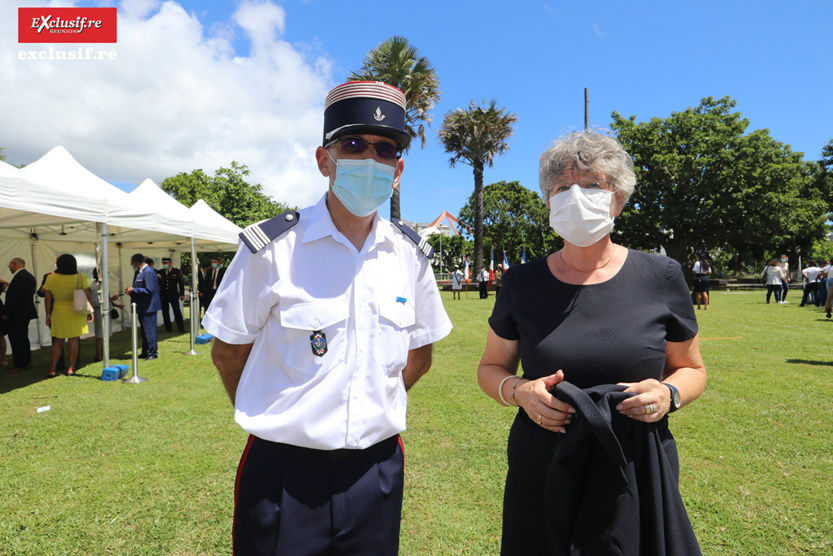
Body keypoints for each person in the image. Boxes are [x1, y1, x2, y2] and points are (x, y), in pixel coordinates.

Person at [203, 81, 453, 555]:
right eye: (353, 144)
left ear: (397, 171)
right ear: (324, 159)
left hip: (376, 469)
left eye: (385, 149)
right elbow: (228, 353)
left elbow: (418, 357)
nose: (370, 158)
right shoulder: (272, 249)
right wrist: (280, 411)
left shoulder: (410, 255)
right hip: (284, 473)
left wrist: (369, 402)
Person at [477, 130, 706, 555]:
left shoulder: (661, 275)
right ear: (548, 201)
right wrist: (519, 391)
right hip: (542, 459)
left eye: (592, 184)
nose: (576, 196)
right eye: (562, 187)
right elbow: (491, 368)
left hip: (634, 462)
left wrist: (669, 394)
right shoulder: (521, 282)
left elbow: (691, 369)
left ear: (618, 199)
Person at [43, 254, 93, 377]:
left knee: (58, 341)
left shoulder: (50, 278)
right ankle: (71, 368)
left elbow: (47, 299)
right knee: (74, 339)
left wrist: (48, 314)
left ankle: (52, 368)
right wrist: (90, 311)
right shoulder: (80, 277)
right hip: (76, 310)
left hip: (58, 310)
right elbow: (87, 296)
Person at [2, 258, 38, 372]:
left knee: (16, 338)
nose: (10, 269)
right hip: (24, 312)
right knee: (23, 337)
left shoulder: (20, 277)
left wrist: (6, 312)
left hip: (17, 313)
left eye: (10, 266)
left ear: (14, 264)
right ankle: (26, 361)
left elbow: (14, 298)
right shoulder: (28, 276)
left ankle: (20, 363)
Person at [126, 253, 162, 360]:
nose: (132, 266)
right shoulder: (140, 272)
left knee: (149, 332)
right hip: (142, 306)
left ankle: (152, 353)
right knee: (144, 331)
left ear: (137, 263)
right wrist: (132, 291)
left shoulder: (148, 272)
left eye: (132, 263)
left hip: (148, 306)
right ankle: (145, 351)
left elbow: (149, 290)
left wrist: (133, 290)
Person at [90, 268, 124, 361]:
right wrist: (110, 299)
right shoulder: (95, 286)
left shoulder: (103, 285)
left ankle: (102, 353)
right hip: (99, 313)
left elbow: (106, 299)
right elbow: (95, 303)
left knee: (104, 335)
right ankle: (98, 355)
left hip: (106, 312)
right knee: (100, 335)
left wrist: (116, 305)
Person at [157, 257, 185, 333]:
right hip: (164, 295)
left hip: (173, 294)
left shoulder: (176, 271)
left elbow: (181, 283)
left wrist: (182, 294)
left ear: (170, 263)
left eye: (166, 263)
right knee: (165, 312)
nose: (164, 265)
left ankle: (181, 328)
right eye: (163, 263)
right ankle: (168, 329)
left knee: (177, 311)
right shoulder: (161, 272)